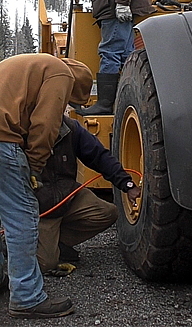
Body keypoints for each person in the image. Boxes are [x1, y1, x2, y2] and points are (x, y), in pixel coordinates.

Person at [0, 54, 93, 319]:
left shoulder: (32, 65)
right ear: (74, 87)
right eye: (70, 102)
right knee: (22, 216)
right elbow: (46, 124)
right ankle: (27, 296)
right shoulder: (62, 74)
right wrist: (35, 166)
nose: (66, 106)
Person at [35, 116, 142, 275]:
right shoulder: (21, 132)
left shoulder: (71, 129)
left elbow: (99, 156)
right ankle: (20, 244)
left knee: (108, 213)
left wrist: (127, 184)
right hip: (40, 211)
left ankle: (57, 243)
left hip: (67, 196)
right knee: (46, 264)